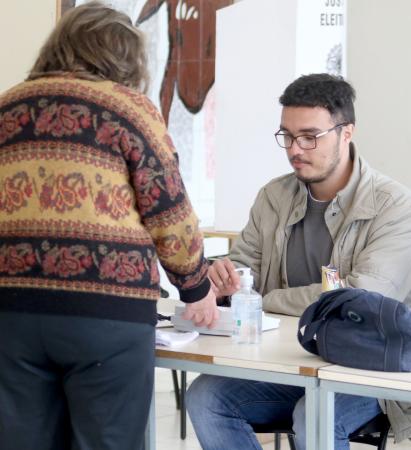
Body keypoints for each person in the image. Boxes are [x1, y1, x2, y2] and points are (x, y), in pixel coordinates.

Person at [0, 2, 219, 450]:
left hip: (11, 311)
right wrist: (196, 287)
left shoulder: (5, 109)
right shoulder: (130, 109)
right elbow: (168, 208)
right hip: (104, 314)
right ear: (126, 60)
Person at [186, 73, 411, 449]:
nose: (295, 149)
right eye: (287, 136)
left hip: (371, 371)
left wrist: (262, 298)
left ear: (346, 133)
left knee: (315, 412)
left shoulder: (393, 205)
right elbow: (244, 269)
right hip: (288, 361)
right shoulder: (273, 196)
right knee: (206, 396)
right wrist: (225, 279)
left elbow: (359, 300)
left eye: (309, 137)